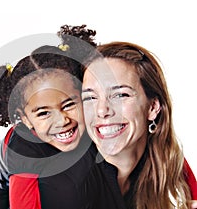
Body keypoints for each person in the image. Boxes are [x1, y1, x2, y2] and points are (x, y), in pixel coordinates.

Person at [0, 26, 105, 209]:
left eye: (69, 105)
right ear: (25, 119)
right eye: (44, 113)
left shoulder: (93, 123)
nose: (62, 121)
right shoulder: (23, 149)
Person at [81, 40, 197, 209]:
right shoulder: (70, 182)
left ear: (153, 107)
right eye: (90, 97)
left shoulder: (170, 164)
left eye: (120, 95)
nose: (101, 110)